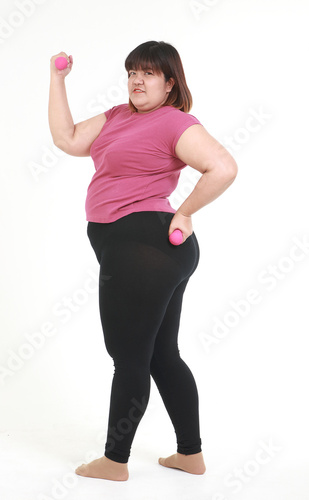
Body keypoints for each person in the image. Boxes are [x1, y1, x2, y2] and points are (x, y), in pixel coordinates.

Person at [48, 40, 238, 482]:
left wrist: (185, 210)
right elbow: (68, 138)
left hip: (143, 249)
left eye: (149, 73)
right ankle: (190, 455)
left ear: (170, 83)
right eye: (133, 71)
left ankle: (114, 461)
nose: (137, 79)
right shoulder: (117, 116)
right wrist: (57, 80)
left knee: (128, 358)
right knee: (161, 355)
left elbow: (223, 167)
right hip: (147, 250)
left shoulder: (174, 121)